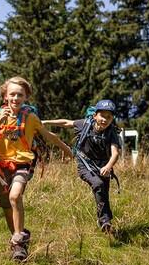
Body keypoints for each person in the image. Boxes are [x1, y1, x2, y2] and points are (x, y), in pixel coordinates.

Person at [0, 76, 72, 261]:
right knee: (6, 204)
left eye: (20, 95)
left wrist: (66, 149)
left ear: (26, 97)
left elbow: (49, 136)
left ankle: (19, 242)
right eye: (12, 94)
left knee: (15, 196)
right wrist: (0, 122)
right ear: (5, 96)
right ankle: (18, 238)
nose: (15, 98)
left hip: (22, 164)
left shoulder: (30, 118)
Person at [42, 99, 120, 233]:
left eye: (109, 117)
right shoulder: (85, 124)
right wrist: (45, 122)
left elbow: (115, 153)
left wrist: (108, 166)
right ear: (95, 115)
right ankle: (105, 221)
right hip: (84, 164)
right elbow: (66, 123)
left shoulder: (111, 133)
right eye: (102, 116)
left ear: (112, 119)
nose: (105, 120)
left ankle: (105, 222)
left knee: (103, 193)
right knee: (98, 184)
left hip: (103, 166)